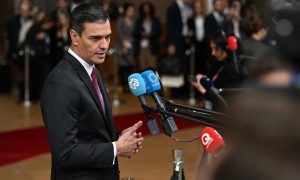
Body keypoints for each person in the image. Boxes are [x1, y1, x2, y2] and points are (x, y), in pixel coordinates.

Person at [41, 3, 144, 179]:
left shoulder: (93, 70)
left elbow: (88, 133)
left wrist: (118, 137)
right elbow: (65, 153)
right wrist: (116, 148)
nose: (104, 45)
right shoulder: (60, 82)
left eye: (108, 37)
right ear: (74, 36)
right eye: (95, 38)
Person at [189, 30, 245, 110]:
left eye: (215, 49)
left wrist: (201, 89)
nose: (213, 53)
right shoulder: (220, 64)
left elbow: (224, 101)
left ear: (225, 48)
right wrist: (205, 80)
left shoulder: (233, 70)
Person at [133, 1, 161, 71]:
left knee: (152, 69)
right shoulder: (139, 20)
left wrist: (150, 34)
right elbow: (135, 32)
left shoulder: (155, 20)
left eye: (147, 8)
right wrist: (142, 33)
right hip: (141, 47)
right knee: (142, 69)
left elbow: (159, 32)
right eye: (144, 8)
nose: (146, 10)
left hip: (152, 47)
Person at [115, 3, 136, 93]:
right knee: (123, 67)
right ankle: (124, 86)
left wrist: (130, 43)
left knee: (131, 67)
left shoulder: (135, 21)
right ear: (126, 11)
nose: (131, 12)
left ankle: (131, 86)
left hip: (132, 46)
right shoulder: (121, 20)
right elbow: (119, 33)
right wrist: (124, 44)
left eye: (133, 10)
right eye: (130, 10)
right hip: (121, 46)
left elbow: (136, 34)